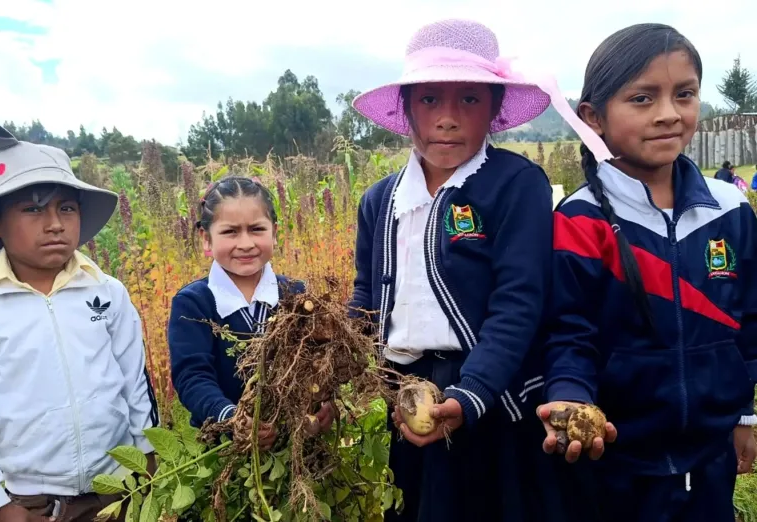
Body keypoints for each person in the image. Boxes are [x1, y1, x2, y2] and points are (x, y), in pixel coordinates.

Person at [349, 18, 582, 522]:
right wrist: (334, 368)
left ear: (495, 109)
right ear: (407, 107)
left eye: (470, 99)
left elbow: (517, 302)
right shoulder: (380, 201)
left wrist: (472, 392)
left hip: (492, 390)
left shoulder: (516, 184)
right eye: (429, 99)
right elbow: (366, 299)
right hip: (407, 395)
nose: (447, 119)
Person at [538, 23, 757, 522]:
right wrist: (570, 400)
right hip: (614, 461)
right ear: (593, 118)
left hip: (710, 458)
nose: (668, 114)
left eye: (684, 94)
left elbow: (748, 320)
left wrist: (744, 414)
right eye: (642, 98)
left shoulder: (729, 209)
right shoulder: (580, 221)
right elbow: (569, 333)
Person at [0, 123, 160, 522]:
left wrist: (148, 456)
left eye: (66, 208)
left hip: (118, 488)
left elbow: (135, 381)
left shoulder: (107, 292)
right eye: (33, 209)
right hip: (33, 503)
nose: (54, 223)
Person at [167, 177, 335, 449]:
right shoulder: (194, 303)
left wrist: (324, 402)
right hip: (223, 446)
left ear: (275, 233)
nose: (245, 243)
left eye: (257, 229)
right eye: (230, 232)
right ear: (206, 239)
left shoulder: (297, 294)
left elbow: (317, 362)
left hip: (294, 443)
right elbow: (192, 377)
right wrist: (232, 419)